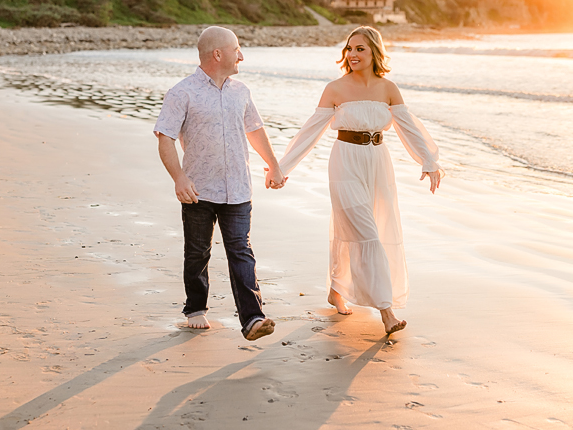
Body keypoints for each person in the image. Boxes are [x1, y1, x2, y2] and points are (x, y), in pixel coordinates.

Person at [278, 26, 443, 335]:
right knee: (367, 233)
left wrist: (429, 161)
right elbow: (309, 132)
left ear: (374, 53)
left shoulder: (388, 88)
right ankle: (386, 311)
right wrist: (281, 167)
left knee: (356, 229)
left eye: (360, 49)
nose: (352, 55)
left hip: (379, 163)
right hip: (346, 162)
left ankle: (336, 290)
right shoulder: (335, 89)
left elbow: (410, 128)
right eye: (349, 49)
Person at [154, 26, 285, 341]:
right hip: (198, 190)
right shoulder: (182, 92)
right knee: (197, 251)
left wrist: (274, 165)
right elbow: (165, 138)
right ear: (218, 54)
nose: (242, 55)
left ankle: (253, 318)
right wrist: (179, 178)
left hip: (238, 188)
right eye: (237, 49)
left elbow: (254, 129)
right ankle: (196, 308)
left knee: (241, 250)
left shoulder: (241, 91)